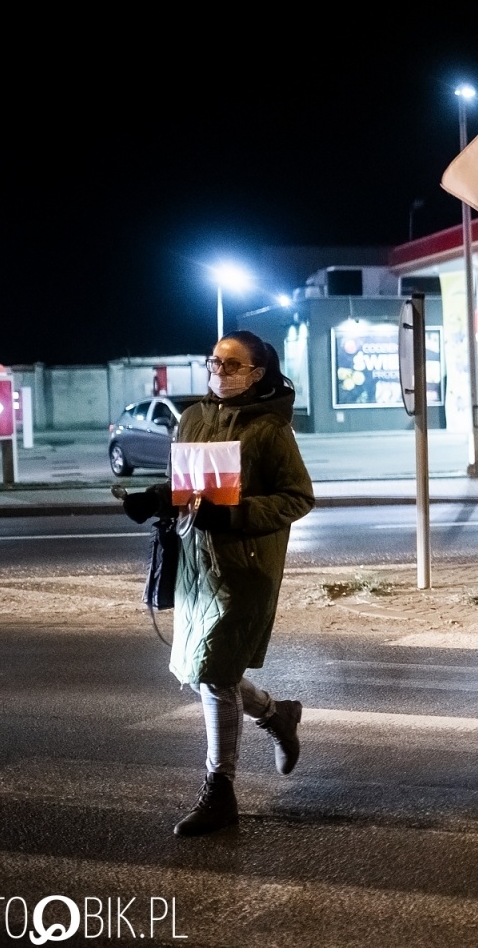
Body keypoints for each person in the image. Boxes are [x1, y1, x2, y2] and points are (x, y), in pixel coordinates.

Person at [120, 331, 315, 836]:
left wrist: (234, 515)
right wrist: (155, 499)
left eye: (232, 366)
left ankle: (220, 789)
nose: (219, 373)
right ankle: (276, 715)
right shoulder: (192, 418)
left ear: (257, 374)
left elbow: (297, 498)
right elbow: (187, 487)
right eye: (214, 363)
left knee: (214, 672)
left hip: (244, 569)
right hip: (196, 567)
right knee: (203, 670)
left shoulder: (271, 429)